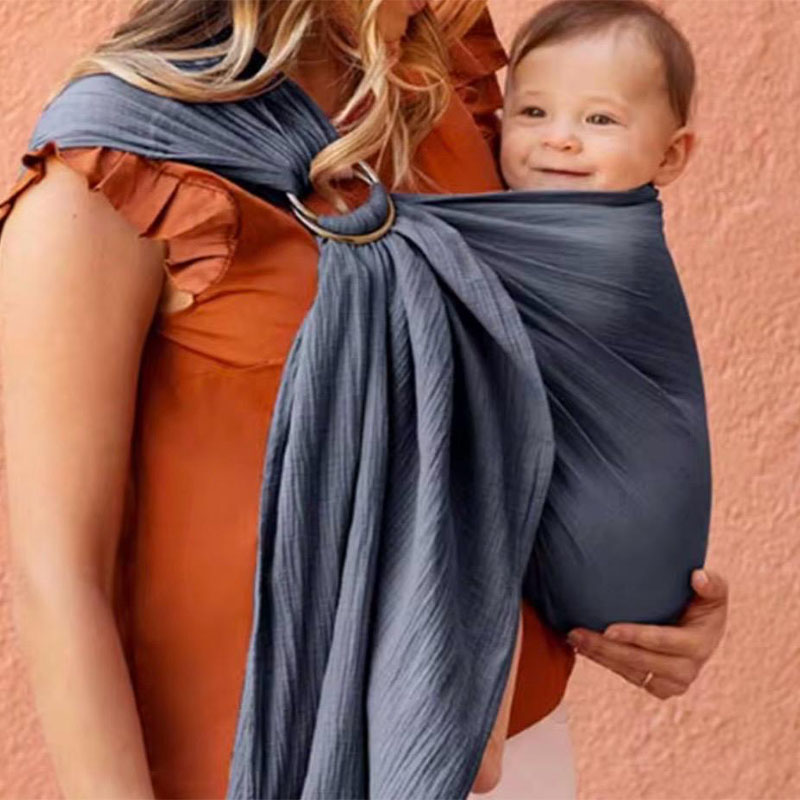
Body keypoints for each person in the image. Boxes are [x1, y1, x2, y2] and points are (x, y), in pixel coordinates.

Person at [0, 1, 728, 798]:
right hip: (278, 768)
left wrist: (644, 585)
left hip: (519, 756)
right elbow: (60, 577)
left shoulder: (442, 89)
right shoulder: (111, 173)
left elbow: (524, 392)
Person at [470, 1, 730, 796]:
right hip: (595, 573)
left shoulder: (609, 249)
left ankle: (480, 713)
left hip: (623, 557)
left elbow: (394, 235)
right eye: (534, 113)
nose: (559, 139)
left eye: (599, 119)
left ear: (672, 155)